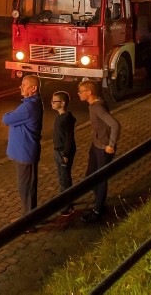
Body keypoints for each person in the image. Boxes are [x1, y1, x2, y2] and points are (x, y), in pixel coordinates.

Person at [78, 80, 121, 223]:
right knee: (90, 175)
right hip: (96, 145)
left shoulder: (97, 108)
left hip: (103, 148)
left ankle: (97, 211)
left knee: (100, 178)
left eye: (81, 91)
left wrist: (111, 144)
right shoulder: (94, 105)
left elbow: (115, 124)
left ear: (89, 93)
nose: (79, 94)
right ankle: (99, 202)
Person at [2, 74, 43, 216]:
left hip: (25, 154)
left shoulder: (28, 107)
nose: (21, 87)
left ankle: (28, 222)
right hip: (23, 153)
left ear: (34, 88)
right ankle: (28, 218)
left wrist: (11, 113)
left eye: (24, 85)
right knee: (25, 188)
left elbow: (6, 119)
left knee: (26, 189)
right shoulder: (30, 104)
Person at [51, 90, 76, 216]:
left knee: (64, 179)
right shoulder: (60, 116)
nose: (52, 103)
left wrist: (66, 154)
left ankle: (67, 206)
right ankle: (68, 201)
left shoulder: (66, 118)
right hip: (58, 151)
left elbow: (69, 137)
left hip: (62, 152)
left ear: (62, 103)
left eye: (54, 101)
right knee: (63, 177)